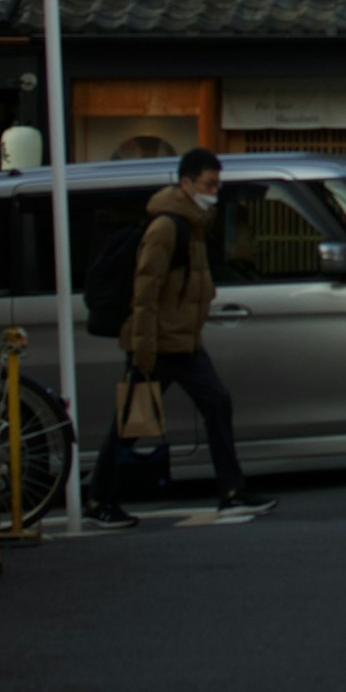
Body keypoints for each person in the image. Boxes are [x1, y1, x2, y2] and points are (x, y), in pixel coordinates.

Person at [86, 148, 273, 528]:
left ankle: (232, 491)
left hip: (183, 343)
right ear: (186, 183)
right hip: (158, 345)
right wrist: (142, 349)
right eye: (208, 184)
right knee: (132, 423)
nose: (213, 191)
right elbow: (145, 291)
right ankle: (98, 499)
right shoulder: (168, 227)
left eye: (216, 184)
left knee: (216, 404)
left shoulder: (195, 224)